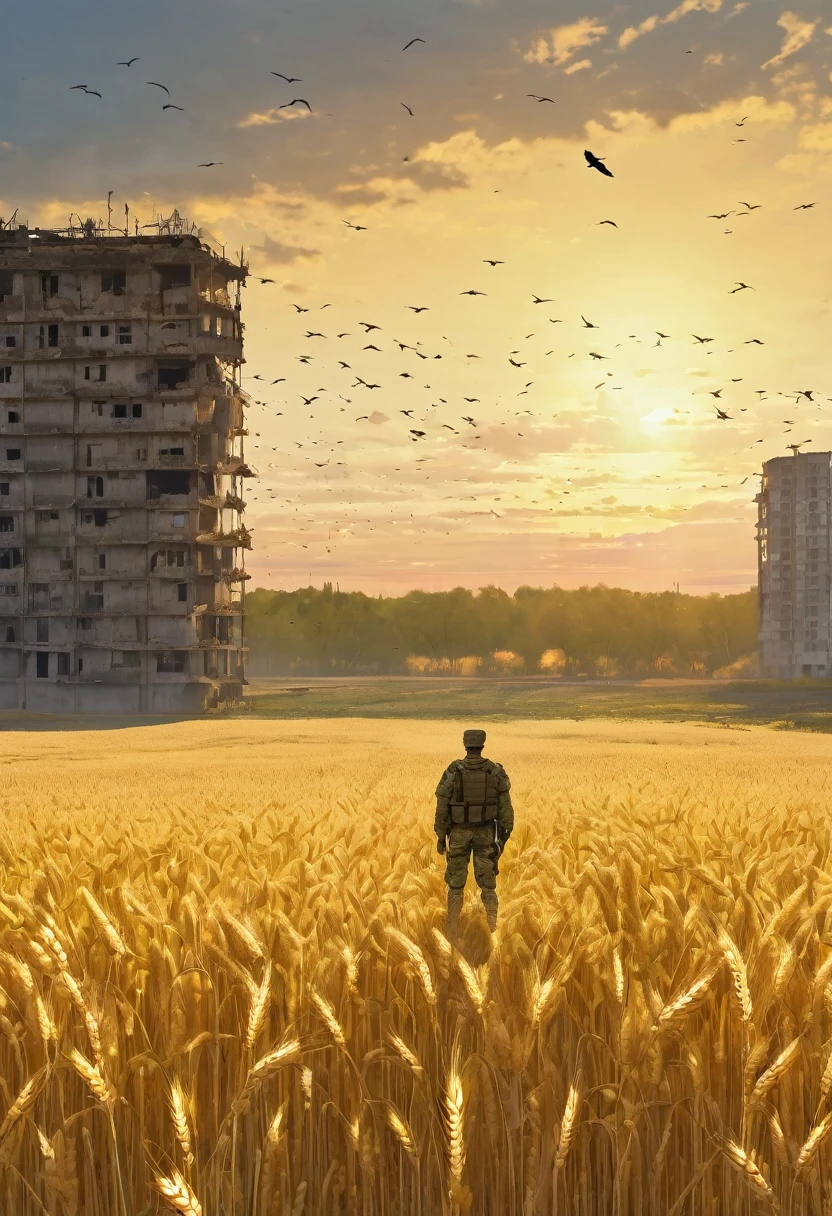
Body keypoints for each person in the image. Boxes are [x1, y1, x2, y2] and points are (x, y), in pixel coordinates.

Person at [434, 728, 513, 935]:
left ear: (465, 744)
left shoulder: (454, 770)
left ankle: (451, 928)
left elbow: (442, 804)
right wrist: (502, 840)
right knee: (488, 885)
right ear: (482, 744)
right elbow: (506, 813)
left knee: (455, 884)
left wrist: (441, 836)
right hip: (485, 833)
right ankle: (492, 929)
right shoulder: (494, 771)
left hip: (459, 833)